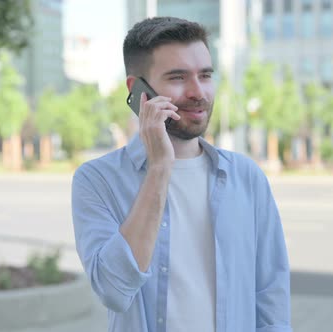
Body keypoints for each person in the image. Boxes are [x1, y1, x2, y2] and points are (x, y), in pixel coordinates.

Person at [72, 16, 291, 332]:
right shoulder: (97, 180)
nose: (198, 92)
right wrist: (160, 168)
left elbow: (271, 297)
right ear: (138, 91)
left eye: (205, 75)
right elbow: (114, 290)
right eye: (178, 77)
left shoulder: (247, 177)